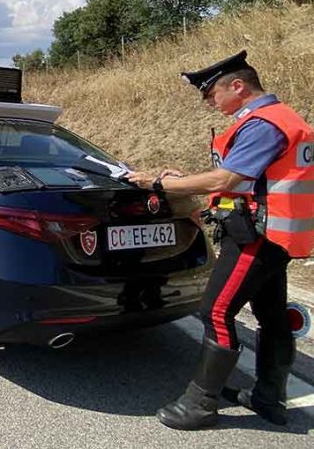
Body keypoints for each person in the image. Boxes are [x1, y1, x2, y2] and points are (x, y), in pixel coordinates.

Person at [126, 50, 314, 430]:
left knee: (216, 310)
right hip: (275, 232)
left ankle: (199, 404)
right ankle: (268, 398)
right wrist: (185, 178)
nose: (209, 102)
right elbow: (247, 179)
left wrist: (161, 184)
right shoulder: (277, 118)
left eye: (211, 94)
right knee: (272, 314)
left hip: (255, 237)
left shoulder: (263, 123)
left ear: (238, 86)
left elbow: (225, 181)